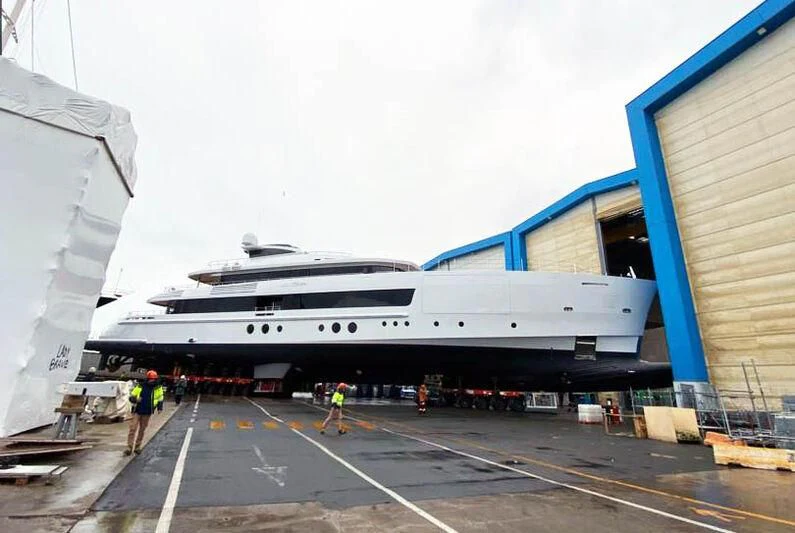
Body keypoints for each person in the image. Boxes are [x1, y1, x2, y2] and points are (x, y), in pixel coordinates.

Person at [126, 370, 164, 455]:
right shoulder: (141, 386)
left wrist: (159, 408)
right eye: (150, 379)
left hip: (147, 411)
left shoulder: (158, 387)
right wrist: (135, 399)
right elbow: (132, 396)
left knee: (142, 430)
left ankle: (137, 447)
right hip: (137, 410)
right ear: (148, 378)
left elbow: (160, 398)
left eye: (153, 379)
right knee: (132, 429)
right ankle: (129, 447)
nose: (152, 380)